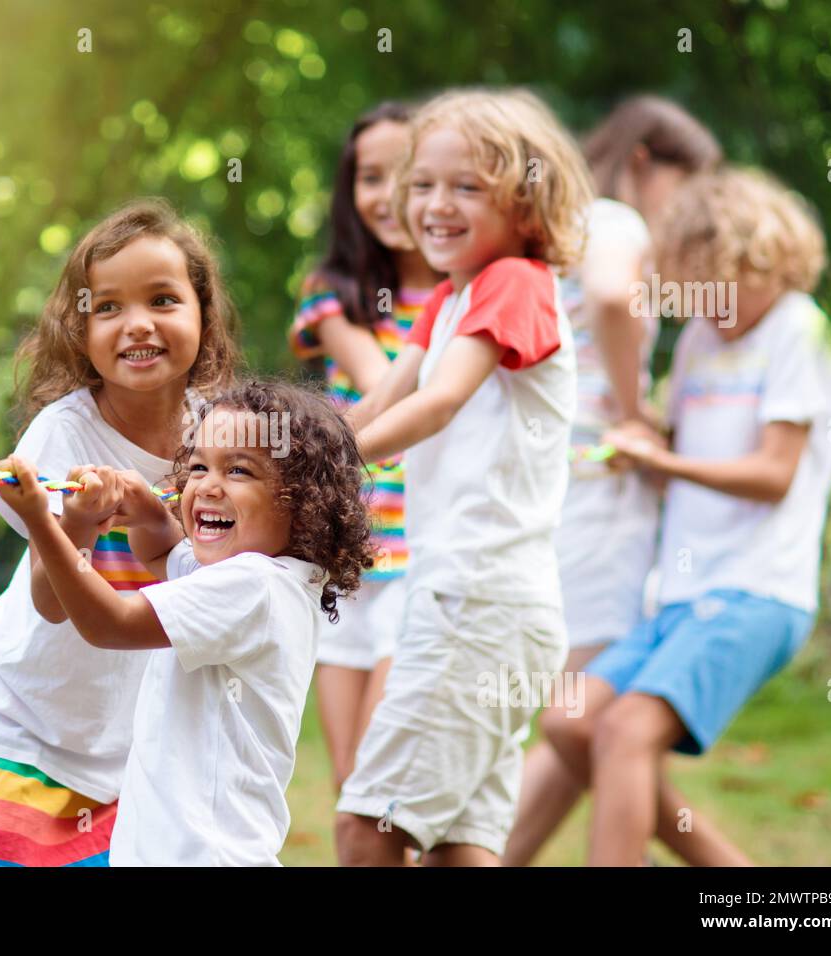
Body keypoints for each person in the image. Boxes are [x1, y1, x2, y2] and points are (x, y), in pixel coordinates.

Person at [0, 199, 239, 866]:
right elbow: (51, 602)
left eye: (162, 300)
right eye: (107, 307)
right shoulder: (65, 432)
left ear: (203, 314)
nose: (136, 324)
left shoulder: (216, 430)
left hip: (129, 732)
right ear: (80, 330)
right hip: (24, 715)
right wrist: (75, 523)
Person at [546, 167, 831, 865]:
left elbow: (774, 475)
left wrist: (664, 463)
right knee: (571, 721)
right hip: (682, 593)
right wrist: (639, 438)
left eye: (721, 285)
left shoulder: (799, 331)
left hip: (757, 589)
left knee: (625, 731)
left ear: (764, 261)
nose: (709, 308)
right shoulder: (701, 343)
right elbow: (678, 437)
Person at [333, 87, 593, 866]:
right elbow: (381, 397)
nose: (435, 205)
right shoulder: (449, 295)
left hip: (477, 606)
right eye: (423, 185)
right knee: (459, 844)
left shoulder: (515, 280)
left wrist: (334, 466)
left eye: (466, 187)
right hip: (477, 607)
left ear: (526, 204)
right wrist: (285, 458)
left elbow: (441, 401)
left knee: (365, 826)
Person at [0, 381, 374, 864]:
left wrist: (43, 523)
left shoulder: (253, 586)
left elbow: (107, 623)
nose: (208, 486)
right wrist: (150, 514)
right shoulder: (259, 580)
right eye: (197, 467)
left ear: (303, 502)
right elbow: (162, 553)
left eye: (238, 470)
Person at [506, 95, 730, 866]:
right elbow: (610, 297)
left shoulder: (557, 232)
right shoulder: (616, 222)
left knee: (582, 714)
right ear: (644, 162)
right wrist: (636, 414)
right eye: (685, 183)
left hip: (556, 481)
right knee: (593, 715)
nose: (683, 211)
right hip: (600, 485)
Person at [287, 101, 444, 793]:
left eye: (405, 174)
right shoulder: (334, 296)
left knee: (387, 779)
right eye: (369, 177)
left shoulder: (469, 295)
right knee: (351, 790)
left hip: (425, 561)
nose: (386, 196)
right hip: (346, 558)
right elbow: (389, 386)